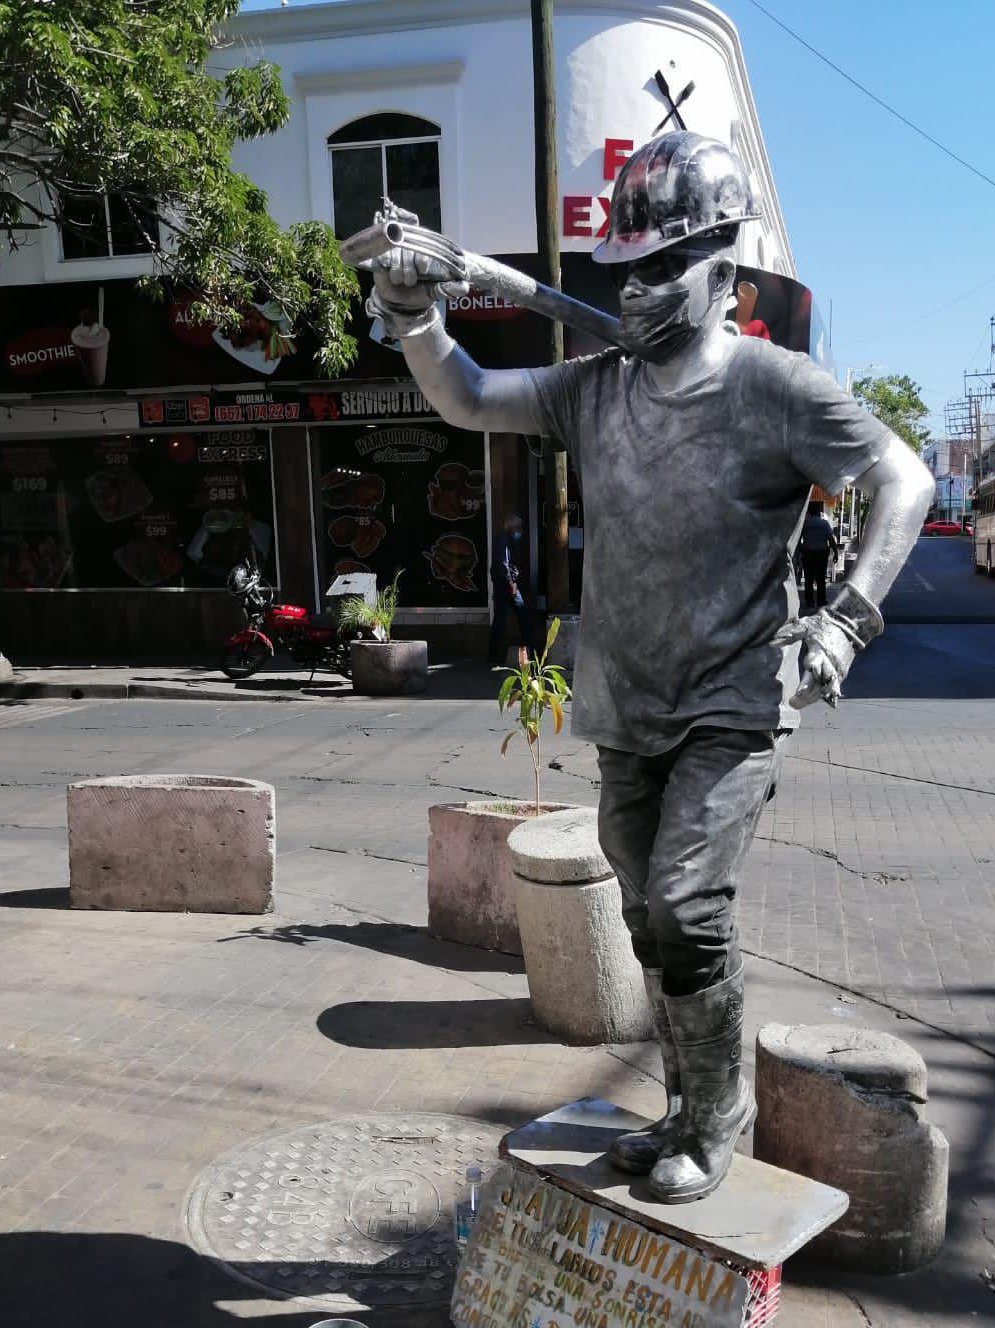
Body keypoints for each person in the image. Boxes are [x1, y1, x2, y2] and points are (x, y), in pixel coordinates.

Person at [366, 130, 932, 1202]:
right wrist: (415, 317)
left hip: (732, 699)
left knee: (684, 907)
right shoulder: (596, 390)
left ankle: (718, 1119)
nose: (637, 290)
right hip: (627, 701)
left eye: (663, 266)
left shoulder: (777, 389)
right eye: (624, 270)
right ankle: (685, 1102)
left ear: (724, 265)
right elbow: (471, 398)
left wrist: (848, 618)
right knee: (644, 920)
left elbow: (906, 479)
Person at [488, 514, 534, 664]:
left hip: (503, 585)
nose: (519, 532)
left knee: (500, 621)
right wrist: (512, 584)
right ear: (513, 528)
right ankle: (529, 651)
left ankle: (494, 655)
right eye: (518, 528)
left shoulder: (504, 540)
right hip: (507, 586)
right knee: (522, 615)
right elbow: (504, 565)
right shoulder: (504, 541)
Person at [798, 500, 840, 611]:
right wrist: (835, 552)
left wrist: (802, 548)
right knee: (821, 578)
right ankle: (821, 600)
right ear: (819, 511)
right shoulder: (824, 523)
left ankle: (810, 602)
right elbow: (831, 539)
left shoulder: (805, 523)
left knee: (808, 579)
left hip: (808, 554)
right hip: (822, 554)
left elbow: (798, 540)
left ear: (809, 511)